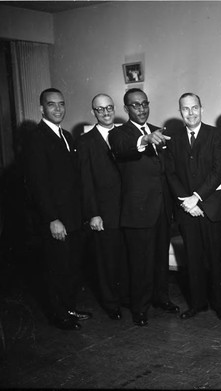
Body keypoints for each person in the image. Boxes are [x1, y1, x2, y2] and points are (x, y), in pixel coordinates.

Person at [108, 88, 179, 327]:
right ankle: (140, 307)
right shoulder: (119, 134)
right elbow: (124, 149)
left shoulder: (159, 130)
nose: (141, 109)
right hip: (137, 212)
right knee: (139, 262)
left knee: (160, 258)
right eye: (135, 105)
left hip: (161, 209)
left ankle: (161, 298)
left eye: (144, 104)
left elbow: (167, 171)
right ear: (126, 109)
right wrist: (145, 139)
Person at [24, 88, 91, 330]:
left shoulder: (66, 136)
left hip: (73, 218)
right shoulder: (36, 138)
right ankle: (59, 315)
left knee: (71, 266)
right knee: (56, 268)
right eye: (52, 105)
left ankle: (69, 308)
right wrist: (53, 218)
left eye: (61, 104)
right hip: (56, 219)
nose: (58, 109)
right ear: (42, 109)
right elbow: (38, 184)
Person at [165, 93, 221, 321]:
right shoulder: (173, 139)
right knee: (192, 260)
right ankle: (197, 304)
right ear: (180, 111)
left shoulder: (215, 134)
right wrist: (186, 201)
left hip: (209, 208)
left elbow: (218, 171)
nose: (190, 113)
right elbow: (170, 174)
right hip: (186, 210)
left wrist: (197, 197)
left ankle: (220, 305)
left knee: (215, 259)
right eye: (185, 109)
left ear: (202, 109)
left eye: (194, 108)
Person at [75, 94, 126, 320]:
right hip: (103, 213)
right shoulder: (86, 141)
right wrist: (93, 213)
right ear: (93, 112)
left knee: (124, 258)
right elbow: (85, 182)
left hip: (128, 210)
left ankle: (125, 297)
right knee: (106, 261)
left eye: (109, 108)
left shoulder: (125, 135)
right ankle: (110, 303)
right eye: (100, 109)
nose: (105, 113)